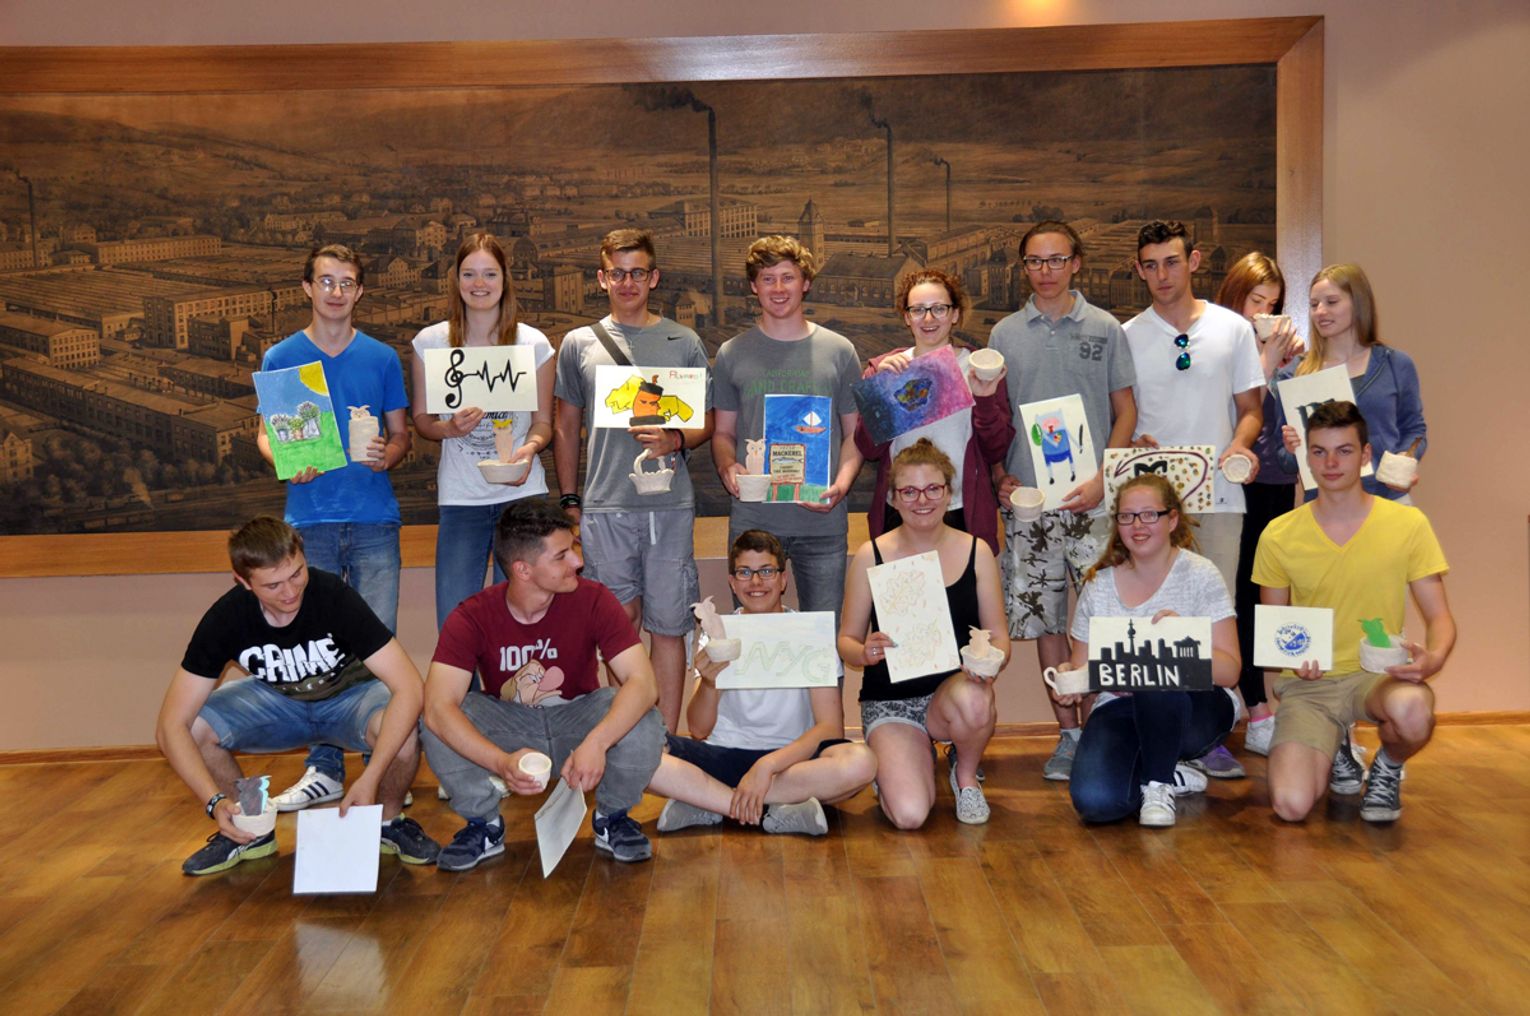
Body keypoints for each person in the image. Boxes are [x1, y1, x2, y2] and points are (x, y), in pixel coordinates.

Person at [154, 517, 438, 875]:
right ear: (243, 581)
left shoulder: (332, 596)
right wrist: (214, 802)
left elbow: (409, 687)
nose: (290, 592)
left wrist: (370, 777)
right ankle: (250, 826)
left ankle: (388, 821)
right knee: (194, 727)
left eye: (297, 574)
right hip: (278, 703)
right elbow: (170, 726)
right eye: (273, 585)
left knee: (403, 726)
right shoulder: (226, 618)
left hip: (351, 698)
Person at [420, 499, 665, 871]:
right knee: (436, 719)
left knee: (643, 715)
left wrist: (598, 742)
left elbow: (644, 683)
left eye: (574, 549)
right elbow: (438, 708)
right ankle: (483, 825)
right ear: (523, 569)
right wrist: (501, 763)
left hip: (577, 718)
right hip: (511, 725)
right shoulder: (472, 615)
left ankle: (612, 818)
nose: (577, 562)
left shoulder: (594, 599)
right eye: (562, 556)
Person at [257, 244, 412, 812]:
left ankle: (381, 767)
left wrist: (388, 454)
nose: (336, 292)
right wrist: (283, 461)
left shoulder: (381, 358)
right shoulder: (282, 357)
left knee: (377, 647)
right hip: (309, 525)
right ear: (307, 287)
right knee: (315, 649)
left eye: (346, 283)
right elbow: (265, 435)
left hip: (373, 521)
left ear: (359, 291)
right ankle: (323, 768)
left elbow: (401, 436)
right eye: (326, 281)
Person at [1254, 401, 1454, 824]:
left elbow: (1439, 617)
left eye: (1344, 451)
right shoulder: (1278, 534)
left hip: (1378, 674)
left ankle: (1388, 766)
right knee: (1290, 806)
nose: (1331, 463)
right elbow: (1274, 627)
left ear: (1365, 455)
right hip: (1310, 684)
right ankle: (1337, 745)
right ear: (1307, 458)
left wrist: (1433, 659)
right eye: (1320, 451)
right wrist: (1290, 660)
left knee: (1413, 712)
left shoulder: (1408, 524)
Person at [988, 221, 1138, 781]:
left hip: (1094, 502)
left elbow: (1126, 411)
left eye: (1056, 260)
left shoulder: (1106, 327)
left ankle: (1104, 730)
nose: (1045, 271)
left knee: (1105, 618)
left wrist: (1104, 478)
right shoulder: (1004, 335)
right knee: (1047, 621)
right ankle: (1069, 735)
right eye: (1035, 261)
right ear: (1023, 267)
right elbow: (994, 418)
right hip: (1030, 506)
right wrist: (1000, 474)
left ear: (1076, 262)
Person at [554, 228, 713, 734]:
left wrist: (676, 440)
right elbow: (566, 426)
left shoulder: (683, 341)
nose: (627, 282)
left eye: (637, 272)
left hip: (669, 506)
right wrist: (570, 498)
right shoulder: (579, 344)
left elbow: (705, 421)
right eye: (617, 273)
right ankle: (627, 737)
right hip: (605, 506)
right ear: (602, 279)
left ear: (653, 277)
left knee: (669, 625)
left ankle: (663, 741)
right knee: (618, 629)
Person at [1123, 221, 1263, 779]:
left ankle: (1207, 737)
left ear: (1194, 261)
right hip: (1152, 506)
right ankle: (1162, 739)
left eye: (1172, 261)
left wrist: (1239, 444)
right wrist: (1131, 446)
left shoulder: (1234, 329)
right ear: (1139, 270)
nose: (1162, 275)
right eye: (1151, 265)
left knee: (1211, 619)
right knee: (1156, 616)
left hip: (1220, 497)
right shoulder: (1127, 335)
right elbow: (1122, 415)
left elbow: (1251, 409)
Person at [650, 530, 878, 836]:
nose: (756, 582)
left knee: (861, 761)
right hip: (722, 754)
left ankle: (708, 800)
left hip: (790, 762)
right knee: (640, 751)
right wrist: (709, 684)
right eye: (744, 572)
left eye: (767, 571)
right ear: (732, 583)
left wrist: (767, 766)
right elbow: (699, 729)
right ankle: (772, 808)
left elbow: (830, 728)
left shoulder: (810, 632)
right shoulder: (718, 633)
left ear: (783, 580)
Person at [839, 440, 1009, 827]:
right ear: (893, 498)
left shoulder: (977, 551)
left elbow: (999, 637)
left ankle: (965, 776)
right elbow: (846, 641)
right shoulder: (870, 554)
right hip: (892, 701)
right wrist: (863, 652)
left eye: (933, 489)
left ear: (949, 493)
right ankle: (901, 764)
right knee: (910, 816)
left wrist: (988, 661)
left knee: (976, 699)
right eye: (909, 491)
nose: (922, 500)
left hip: (953, 693)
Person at [1064, 475, 1241, 828]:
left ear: (1172, 519)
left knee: (1156, 674)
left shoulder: (1201, 575)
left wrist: (1181, 643)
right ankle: (1166, 771)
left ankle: (1158, 784)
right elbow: (1081, 668)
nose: (1137, 525)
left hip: (1196, 705)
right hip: (1119, 706)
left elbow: (1230, 670)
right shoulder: (1099, 585)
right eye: (1127, 516)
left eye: (1149, 514)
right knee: (1096, 803)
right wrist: (1070, 680)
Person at [712, 235, 864, 623]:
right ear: (754, 286)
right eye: (767, 279)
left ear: (805, 282)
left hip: (822, 520)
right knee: (753, 640)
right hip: (754, 520)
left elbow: (854, 435)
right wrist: (728, 467)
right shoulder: (731, 353)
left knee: (823, 640)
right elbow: (723, 434)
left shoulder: (840, 351)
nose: (778, 289)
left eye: (787, 277)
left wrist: (841, 485)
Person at [411, 232, 555, 630]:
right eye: (469, 274)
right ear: (456, 280)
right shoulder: (430, 343)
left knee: (527, 618)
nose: (479, 284)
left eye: (489, 274)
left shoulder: (533, 343)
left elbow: (544, 422)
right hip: (461, 499)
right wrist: (448, 428)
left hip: (522, 495)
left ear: (504, 279)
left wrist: (530, 448)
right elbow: (421, 420)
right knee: (456, 621)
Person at [855, 268, 1013, 554]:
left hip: (961, 509)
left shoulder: (979, 368)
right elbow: (868, 449)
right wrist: (880, 391)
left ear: (955, 314)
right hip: (901, 510)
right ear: (906, 317)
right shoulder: (885, 368)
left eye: (939, 308)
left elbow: (995, 450)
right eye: (918, 310)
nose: (928, 319)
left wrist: (985, 400)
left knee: (962, 585)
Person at [1216, 253, 1304, 759]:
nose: (1264, 313)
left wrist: (1289, 368)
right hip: (1229, 482)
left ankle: (1260, 702)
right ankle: (1249, 703)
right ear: (1236, 297)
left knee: (1265, 592)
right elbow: (1231, 417)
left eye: (1273, 303)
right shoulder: (1220, 343)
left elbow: (1291, 422)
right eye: (1256, 300)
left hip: (1274, 481)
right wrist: (1263, 362)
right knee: (1229, 593)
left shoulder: (1289, 353)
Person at [1281, 263, 1427, 502]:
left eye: (1331, 302)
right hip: (1324, 505)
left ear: (1358, 303)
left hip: (1386, 500)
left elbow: (1414, 428)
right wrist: (1291, 449)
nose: (1320, 311)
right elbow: (1285, 462)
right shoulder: (1295, 375)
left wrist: (1406, 458)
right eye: (1314, 304)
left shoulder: (1395, 364)